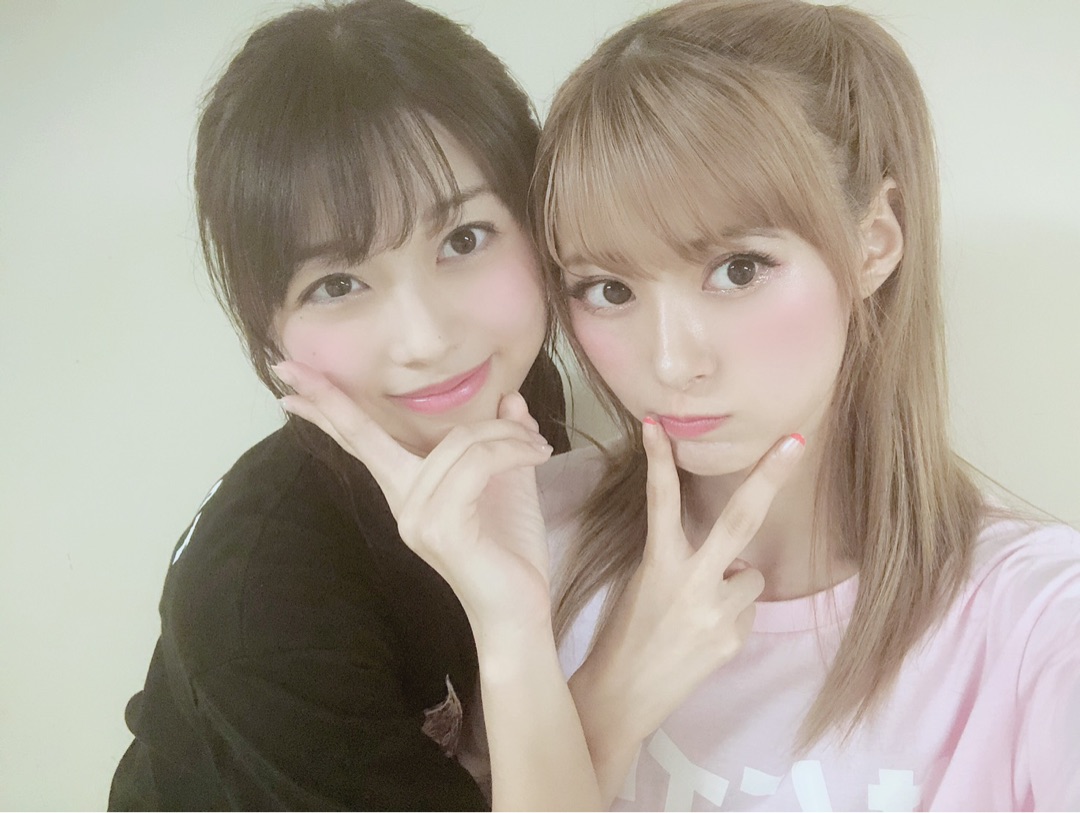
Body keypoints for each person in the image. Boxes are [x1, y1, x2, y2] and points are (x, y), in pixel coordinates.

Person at [525, 0, 1080, 809]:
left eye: (738, 270)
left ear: (874, 242)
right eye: (609, 289)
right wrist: (603, 713)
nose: (672, 360)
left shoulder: (1035, 618)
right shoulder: (530, 543)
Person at [109, 1, 598, 809]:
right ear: (268, 327)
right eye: (338, 283)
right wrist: (622, 682)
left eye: (465, 238)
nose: (427, 339)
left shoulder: (507, 395)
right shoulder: (262, 608)